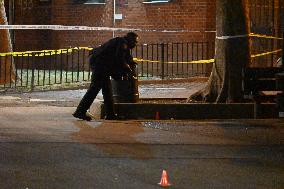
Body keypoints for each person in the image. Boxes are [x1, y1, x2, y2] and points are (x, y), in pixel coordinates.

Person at [73, 32, 139, 121]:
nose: (136, 44)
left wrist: (131, 63)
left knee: (107, 90)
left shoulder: (123, 43)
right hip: (100, 65)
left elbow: (127, 57)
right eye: (135, 42)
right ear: (130, 40)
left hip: (102, 65)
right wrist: (127, 69)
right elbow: (120, 59)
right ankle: (80, 111)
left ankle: (110, 114)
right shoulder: (122, 43)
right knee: (94, 89)